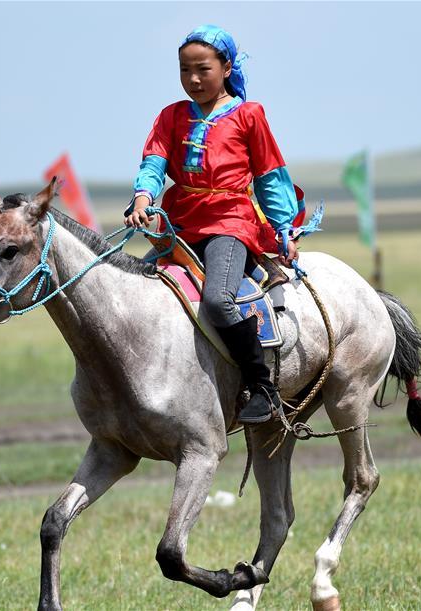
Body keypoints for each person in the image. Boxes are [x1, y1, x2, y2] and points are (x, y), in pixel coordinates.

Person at [125, 25, 304, 425]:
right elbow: (153, 162)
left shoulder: (249, 115)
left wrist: (284, 230)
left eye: (203, 69)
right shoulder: (171, 116)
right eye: (185, 70)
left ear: (226, 67)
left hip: (230, 221)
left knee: (217, 301)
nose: (193, 79)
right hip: (180, 222)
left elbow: (270, 176)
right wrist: (142, 198)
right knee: (131, 295)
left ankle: (262, 386)